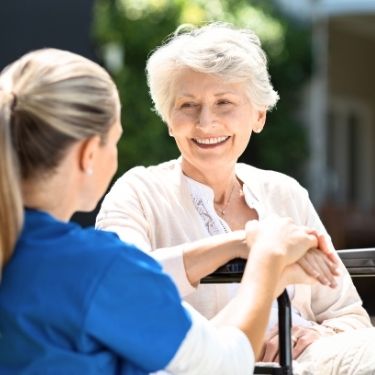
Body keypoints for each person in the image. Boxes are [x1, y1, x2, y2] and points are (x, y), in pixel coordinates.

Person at [0, 48, 334, 374]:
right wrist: (268, 259)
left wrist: (239, 245)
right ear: (89, 154)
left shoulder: (21, 253)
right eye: (115, 141)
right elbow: (225, 364)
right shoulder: (99, 267)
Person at [96, 23, 375, 374]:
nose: (205, 122)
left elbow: (347, 312)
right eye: (187, 105)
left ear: (258, 115)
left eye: (224, 102)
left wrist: (311, 339)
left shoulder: (284, 193)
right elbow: (122, 290)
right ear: (169, 119)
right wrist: (244, 243)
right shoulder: (137, 193)